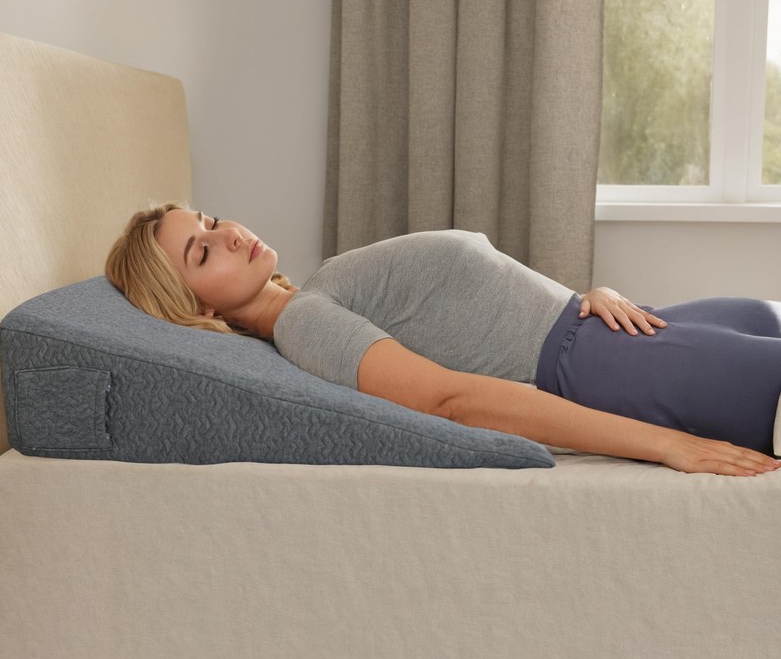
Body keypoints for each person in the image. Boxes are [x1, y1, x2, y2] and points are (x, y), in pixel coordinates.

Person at [106, 202, 781, 478]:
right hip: (603, 364)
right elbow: (450, 400)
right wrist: (667, 445)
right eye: (202, 252)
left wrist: (583, 296)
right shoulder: (305, 325)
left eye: (212, 221)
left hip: (614, 325)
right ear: (195, 305)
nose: (228, 234)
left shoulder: (316, 290)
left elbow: (487, 309)